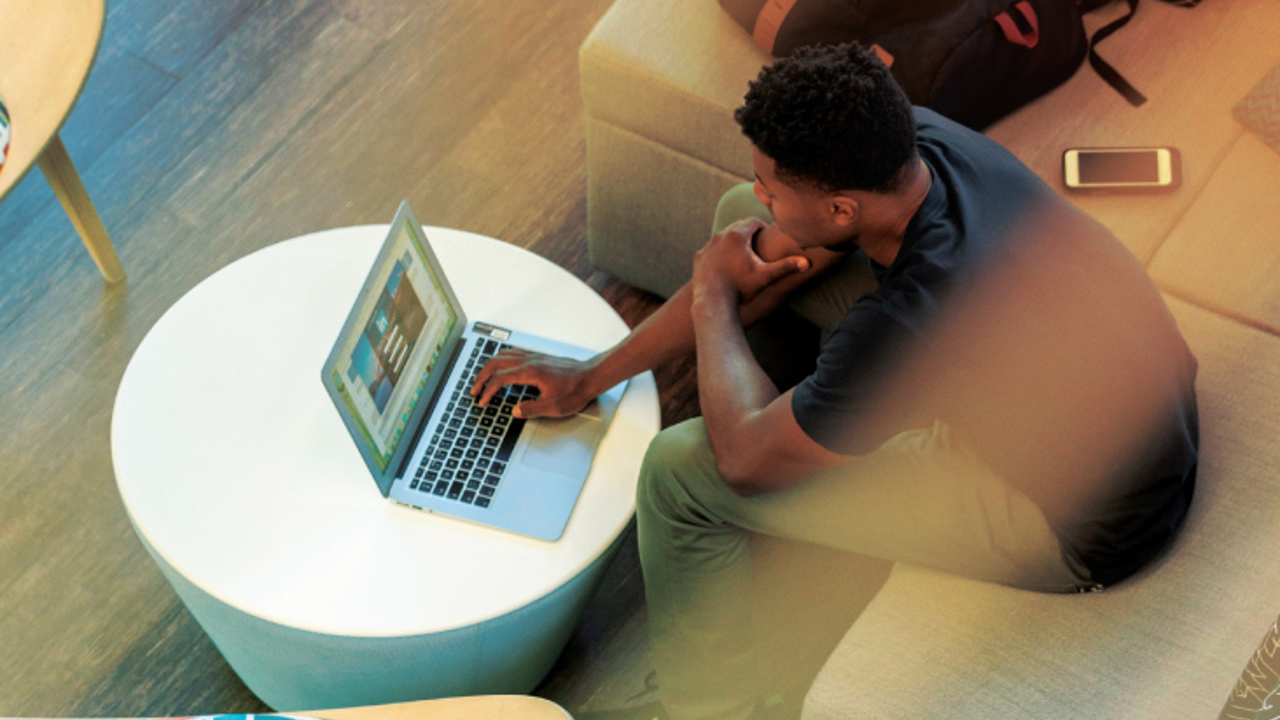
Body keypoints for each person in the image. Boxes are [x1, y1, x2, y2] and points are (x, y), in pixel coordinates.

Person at [472, 42, 1199, 720]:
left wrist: (710, 297)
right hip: (1121, 407)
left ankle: (711, 708)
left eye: (774, 186)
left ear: (843, 208)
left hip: (1073, 522)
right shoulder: (915, 143)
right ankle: (804, 435)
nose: (763, 193)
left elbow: (744, 464)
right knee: (737, 224)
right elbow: (763, 243)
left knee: (678, 473)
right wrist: (590, 376)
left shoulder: (917, 314)